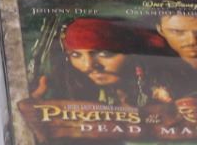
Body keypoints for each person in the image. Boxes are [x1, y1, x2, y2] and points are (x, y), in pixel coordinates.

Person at [33, 17, 170, 107]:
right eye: (76, 55)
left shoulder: (167, 89)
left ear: (133, 54)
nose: (88, 66)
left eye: (105, 54)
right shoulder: (67, 92)